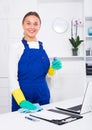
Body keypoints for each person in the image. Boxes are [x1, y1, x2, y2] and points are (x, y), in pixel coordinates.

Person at [8, 11, 62, 112]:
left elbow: (47, 76)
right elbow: (12, 78)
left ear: (39, 26)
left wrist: (53, 68)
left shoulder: (44, 46)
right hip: (22, 97)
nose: (32, 27)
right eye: (28, 23)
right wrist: (21, 101)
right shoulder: (15, 47)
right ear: (23, 25)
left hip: (43, 96)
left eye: (35, 24)